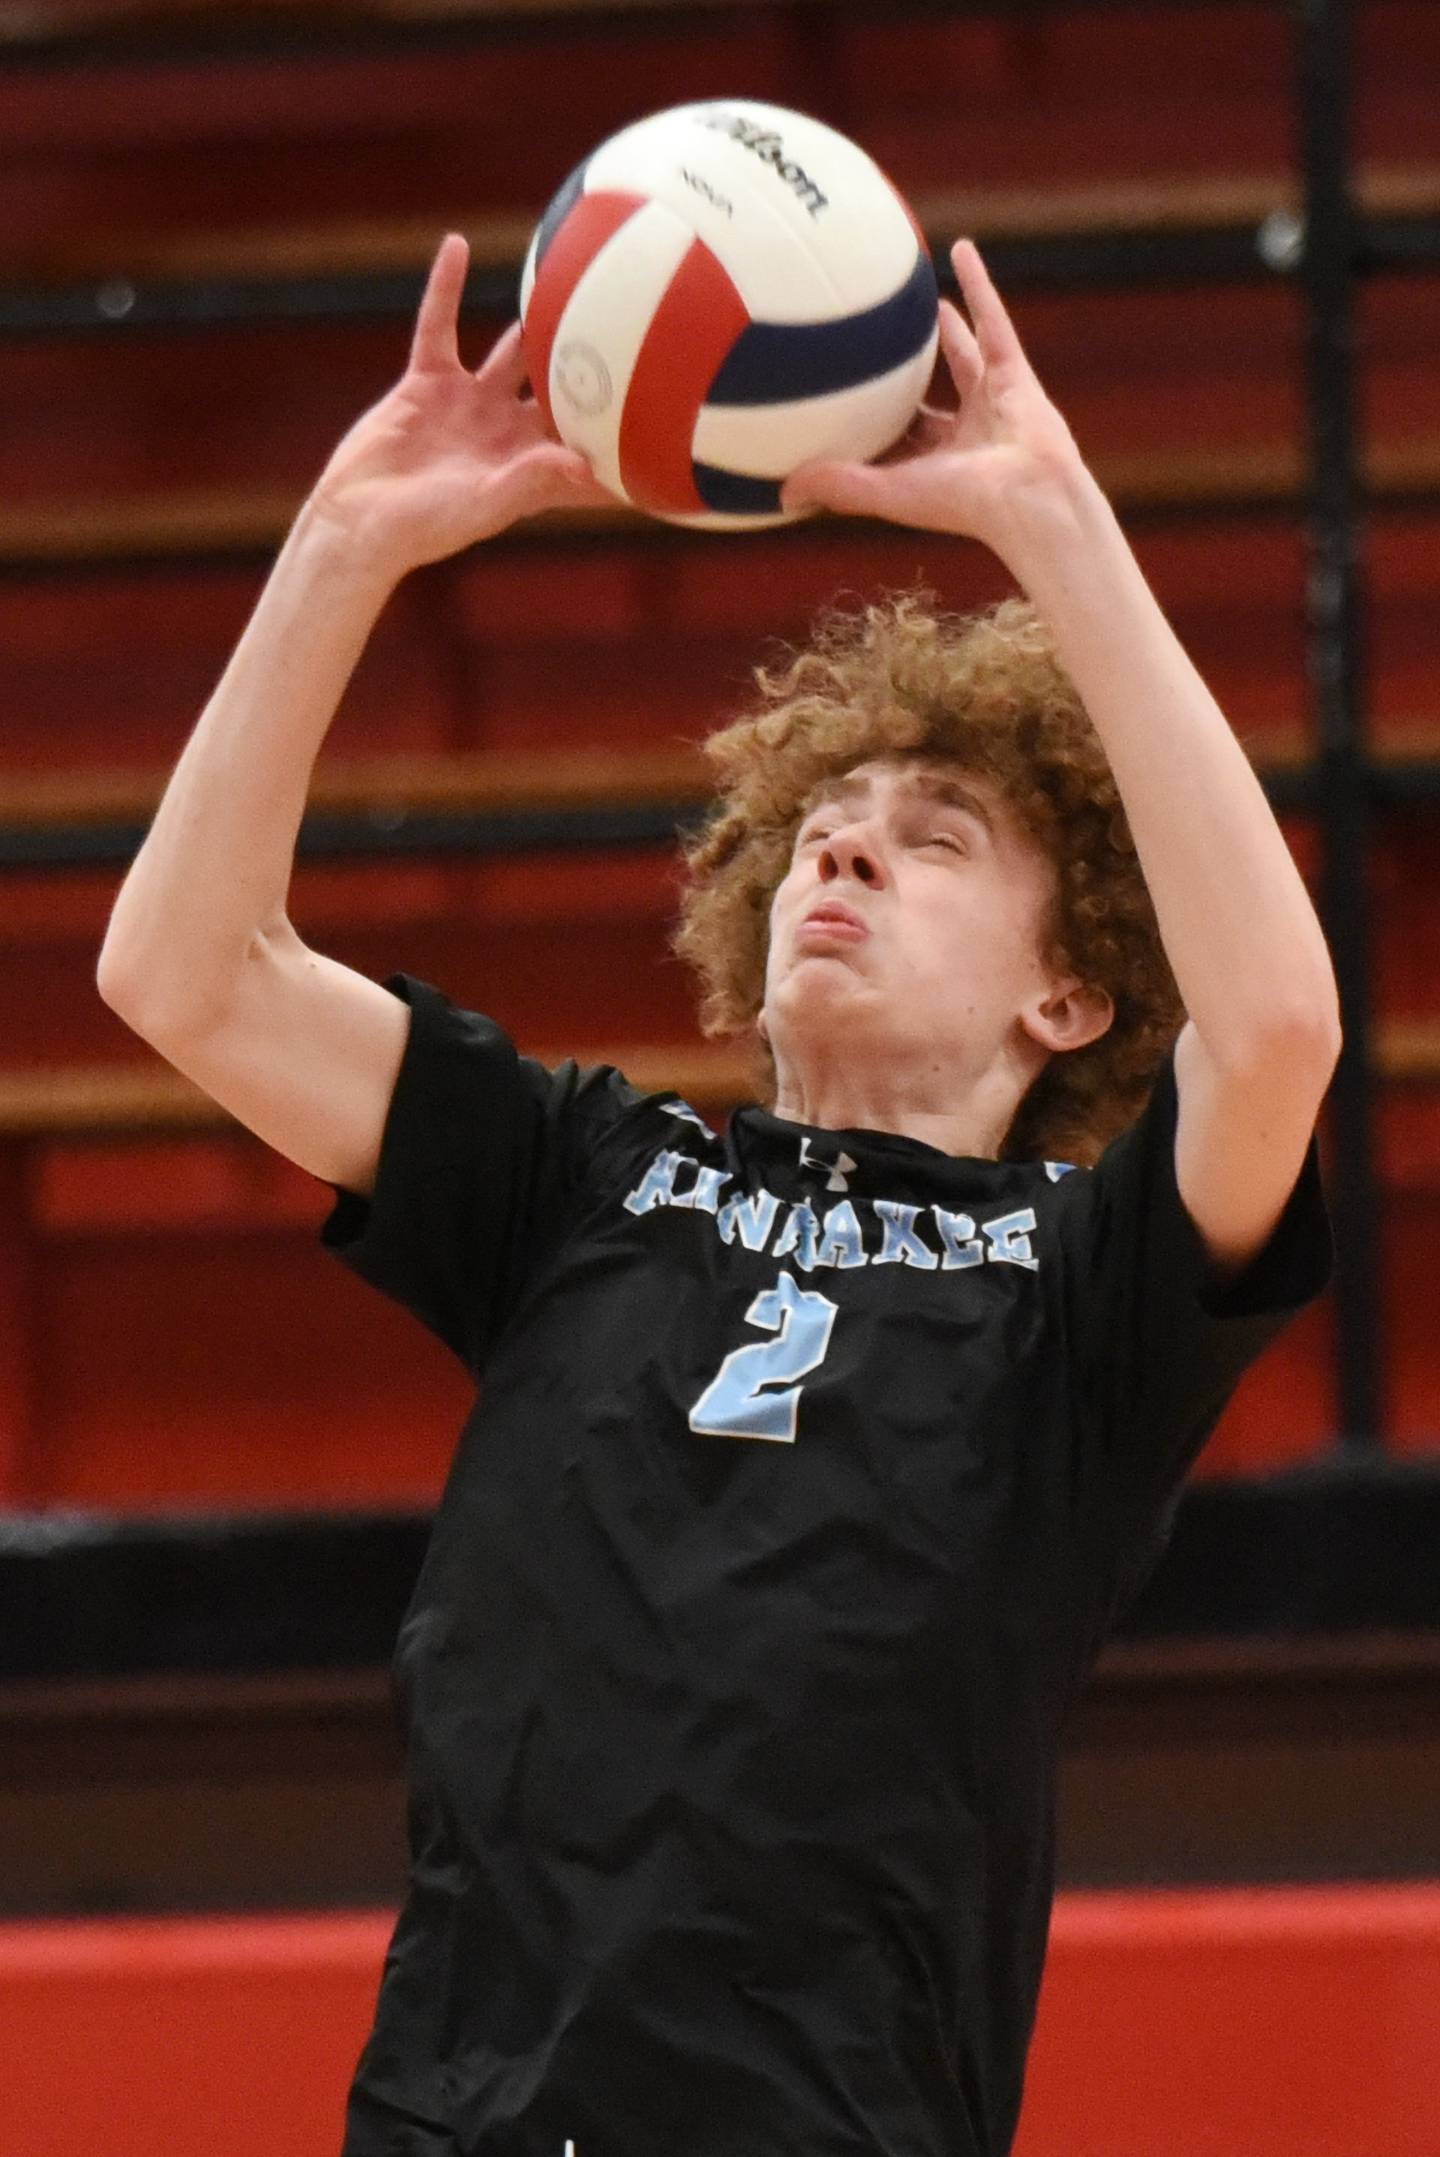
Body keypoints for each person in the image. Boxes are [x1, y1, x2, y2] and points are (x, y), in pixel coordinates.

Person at [97, 231, 1340, 2157]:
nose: (846, 857)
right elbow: (183, 975)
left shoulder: (1081, 1292)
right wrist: (342, 543)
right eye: (824, 835)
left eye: (931, 844)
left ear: (1069, 988)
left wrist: (1055, 522)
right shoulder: (583, 1174)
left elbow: (1273, 1029)